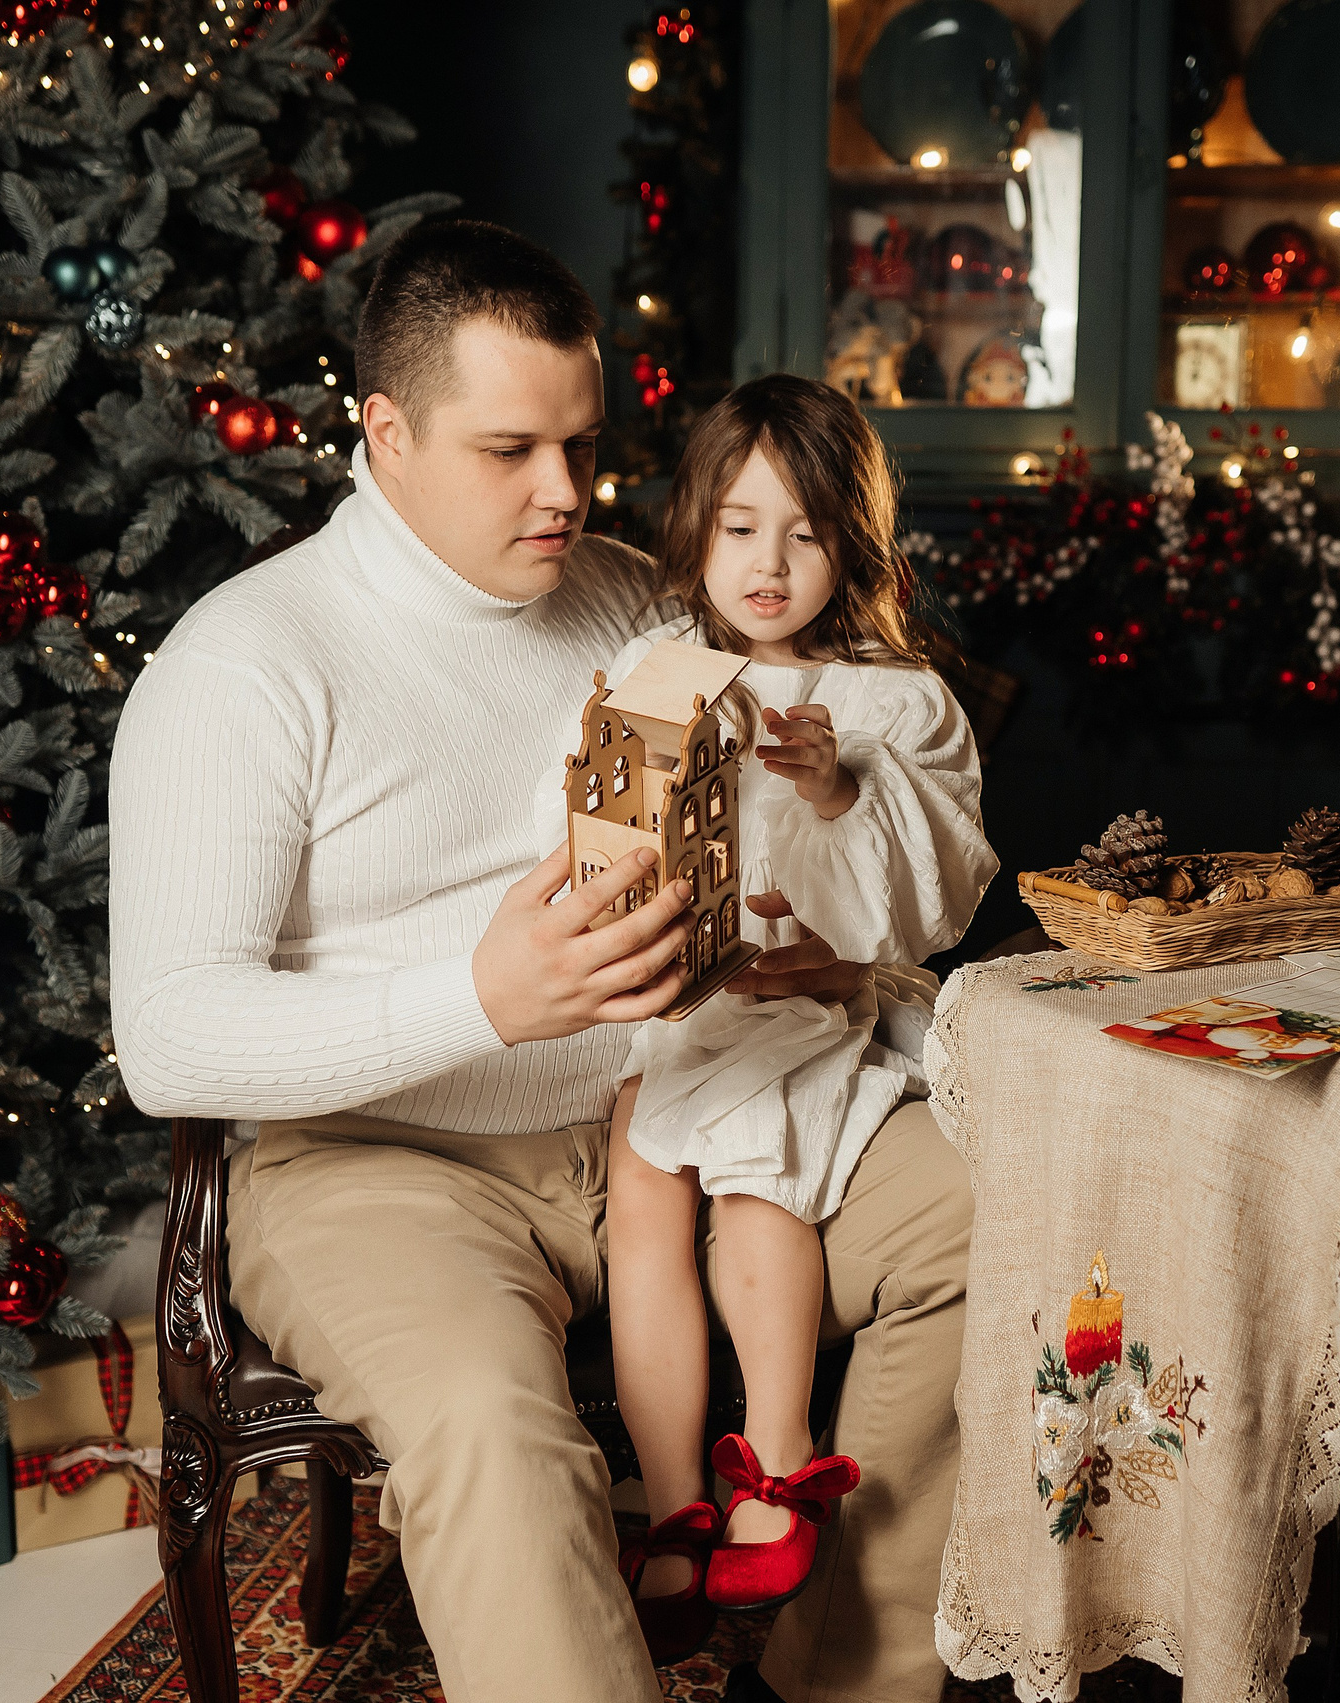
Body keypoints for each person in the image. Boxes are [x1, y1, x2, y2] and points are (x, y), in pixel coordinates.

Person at [107, 220, 975, 1703]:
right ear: (386, 432)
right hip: (384, 1161)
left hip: (683, 1103)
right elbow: (172, 1037)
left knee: (986, 1209)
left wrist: (825, 956)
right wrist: (482, 998)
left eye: (580, 442)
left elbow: (812, 831)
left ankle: (842, 1677)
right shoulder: (246, 663)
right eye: (510, 450)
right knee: (496, 1432)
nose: (564, 490)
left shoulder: (637, 596)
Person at [586, 376, 996, 1663]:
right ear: (696, 528)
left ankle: (775, 1455)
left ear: (851, 544)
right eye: (739, 527)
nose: (767, 564)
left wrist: (832, 788)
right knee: (641, 1180)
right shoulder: (658, 668)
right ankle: (673, 1496)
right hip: (681, 1015)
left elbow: (934, 888)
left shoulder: (893, 699)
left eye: (804, 534)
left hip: (812, 1016)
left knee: (756, 1173)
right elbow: (607, 838)